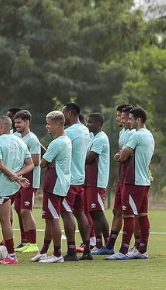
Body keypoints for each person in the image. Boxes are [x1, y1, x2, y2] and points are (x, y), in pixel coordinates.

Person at [107, 106, 155, 261]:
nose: (129, 121)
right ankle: (142, 250)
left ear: (138, 120)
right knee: (142, 215)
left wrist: (119, 156)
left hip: (133, 181)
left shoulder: (136, 135)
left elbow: (123, 156)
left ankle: (123, 251)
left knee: (128, 215)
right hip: (144, 180)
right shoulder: (149, 135)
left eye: (131, 119)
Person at [0, 115, 32, 265]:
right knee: (9, 219)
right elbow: (30, 164)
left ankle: (12, 256)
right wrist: (18, 175)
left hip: (3, 187)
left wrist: (16, 177)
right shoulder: (20, 141)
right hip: (15, 187)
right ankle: (9, 251)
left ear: (1, 126)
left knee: (5, 221)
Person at [33, 110, 74, 264]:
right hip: (60, 183)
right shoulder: (66, 140)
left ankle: (57, 254)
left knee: (54, 218)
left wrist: (47, 161)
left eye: (49, 123)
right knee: (50, 219)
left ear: (57, 124)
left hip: (54, 183)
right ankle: (44, 251)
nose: (47, 126)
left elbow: (42, 163)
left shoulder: (57, 143)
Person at [100, 104, 133, 254]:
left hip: (131, 177)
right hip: (122, 175)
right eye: (119, 116)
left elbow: (129, 154)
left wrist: (122, 156)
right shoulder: (122, 132)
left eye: (122, 116)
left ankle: (136, 246)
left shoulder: (135, 133)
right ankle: (109, 246)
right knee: (116, 210)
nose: (119, 119)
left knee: (131, 213)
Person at [62, 102, 94, 260]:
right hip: (80, 177)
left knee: (66, 213)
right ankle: (87, 250)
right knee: (80, 213)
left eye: (63, 113)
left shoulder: (69, 132)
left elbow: (60, 151)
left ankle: (71, 250)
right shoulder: (85, 130)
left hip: (69, 179)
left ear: (69, 113)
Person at [12, 109, 41, 254]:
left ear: (27, 122)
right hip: (19, 180)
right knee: (19, 210)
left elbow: (35, 161)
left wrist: (18, 171)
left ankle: (33, 243)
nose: (16, 125)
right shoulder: (17, 137)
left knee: (26, 210)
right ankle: (27, 241)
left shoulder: (32, 139)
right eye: (15, 122)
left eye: (19, 122)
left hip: (30, 180)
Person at [84, 111, 111, 253]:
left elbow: (89, 158)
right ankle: (99, 244)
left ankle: (108, 245)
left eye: (90, 122)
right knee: (93, 213)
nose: (87, 124)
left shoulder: (101, 138)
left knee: (99, 213)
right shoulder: (94, 137)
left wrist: (75, 160)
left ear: (99, 123)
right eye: (87, 121)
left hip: (97, 181)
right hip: (90, 181)